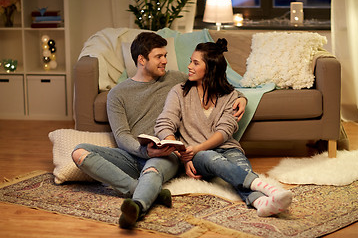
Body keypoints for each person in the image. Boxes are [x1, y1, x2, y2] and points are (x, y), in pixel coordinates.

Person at [71, 32, 248, 229]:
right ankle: (142, 190)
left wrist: (241, 97)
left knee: (153, 169)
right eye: (159, 57)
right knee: (79, 152)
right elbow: (121, 136)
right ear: (141, 60)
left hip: (166, 154)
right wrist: (144, 151)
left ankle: (137, 206)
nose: (165, 61)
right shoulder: (117, 94)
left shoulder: (175, 79)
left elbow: (213, 81)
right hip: (133, 154)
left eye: (165, 55)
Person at [154, 38, 293, 217]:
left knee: (241, 171)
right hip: (199, 155)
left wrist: (196, 148)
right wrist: (184, 154)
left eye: (195, 63)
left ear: (210, 68)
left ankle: (260, 202)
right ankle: (269, 189)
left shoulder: (230, 96)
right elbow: (165, 123)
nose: (189, 66)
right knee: (209, 155)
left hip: (227, 149)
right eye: (190, 61)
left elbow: (224, 132)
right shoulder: (179, 91)